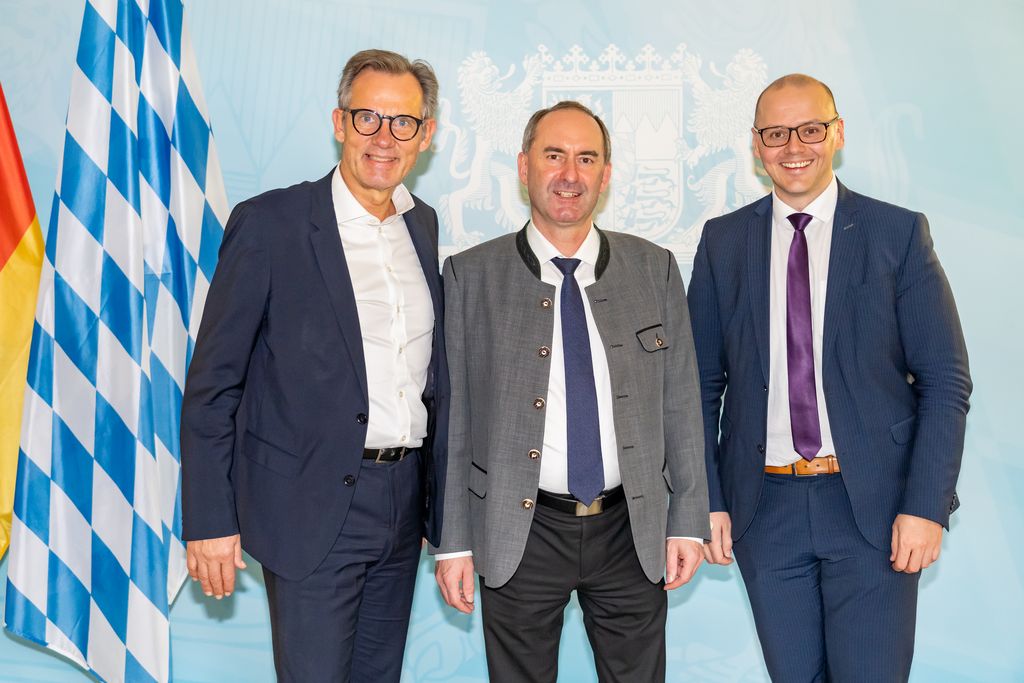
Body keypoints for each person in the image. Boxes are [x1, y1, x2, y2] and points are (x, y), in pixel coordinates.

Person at [687, 74, 971, 681]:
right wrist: (706, 499)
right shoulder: (723, 242)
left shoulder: (896, 234)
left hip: (873, 508)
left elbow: (946, 380)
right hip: (765, 513)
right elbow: (699, 385)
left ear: (837, 134)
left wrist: (925, 506)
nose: (794, 146)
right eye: (776, 132)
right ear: (756, 145)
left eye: (811, 129)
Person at [179, 49, 448, 683]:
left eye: (402, 122)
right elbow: (214, 384)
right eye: (367, 119)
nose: (384, 138)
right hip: (307, 504)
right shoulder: (270, 224)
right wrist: (211, 521)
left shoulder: (424, 228)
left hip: (402, 504)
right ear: (338, 122)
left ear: (426, 135)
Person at [433, 100, 709, 682]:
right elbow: (454, 424)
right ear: (523, 166)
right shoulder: (468, 276)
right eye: (554, 155)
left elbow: (681, 403)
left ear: (606, 175)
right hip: (517, 531)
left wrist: (686, 518)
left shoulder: (653, 268)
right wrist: (452, 541)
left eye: (587, 159)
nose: (570, 174)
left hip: (631, 529)